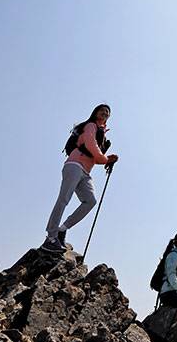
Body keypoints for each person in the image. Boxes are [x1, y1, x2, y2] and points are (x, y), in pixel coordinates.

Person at [41, 104, 119, 254]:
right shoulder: (90, 126)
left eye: (107, 113)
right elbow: (90, 145)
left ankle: (62, 229)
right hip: (74, 165)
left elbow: (94, 155)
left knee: (90, 201)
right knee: (63, 199)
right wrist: (105, 159)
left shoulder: (102, 132)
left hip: (85, 170)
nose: (105, 113)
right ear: (95, 113)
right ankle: (50, 238)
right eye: (102, 111)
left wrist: (107, 159)